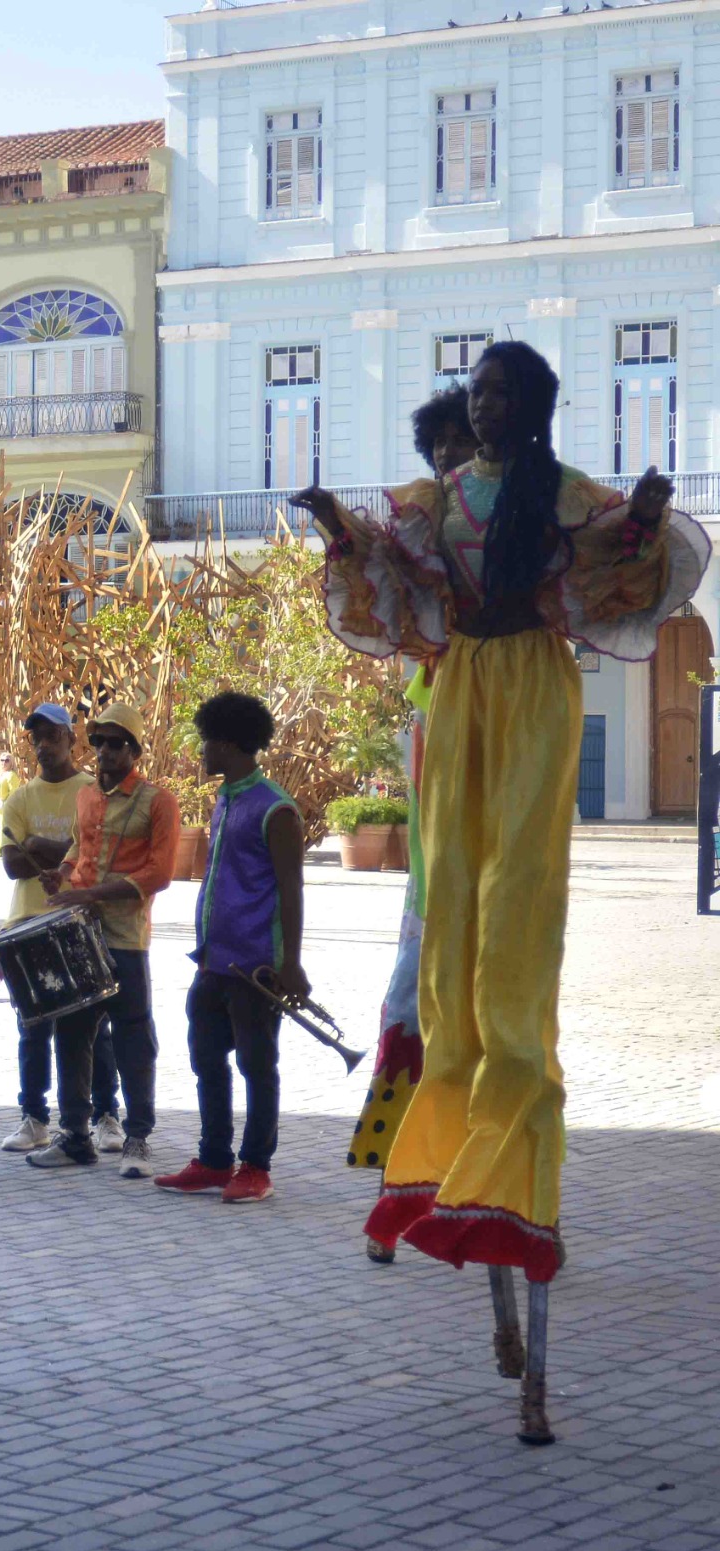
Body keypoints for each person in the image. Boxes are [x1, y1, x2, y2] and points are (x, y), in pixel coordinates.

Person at [291, 340, 708, 1282]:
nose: (482, 407)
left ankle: (508, 1159)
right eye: (475, 392)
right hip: (460, 700)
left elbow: (618, 572)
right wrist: (335, 526)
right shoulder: (435, 503)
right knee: (439, 932)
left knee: (516, 896)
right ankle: (423, 1160)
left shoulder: (562, 493)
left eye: (499, 392)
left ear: (532, 404)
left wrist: (643, 518)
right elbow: (389, 576)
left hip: (530, 684)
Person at [346, 388, 479, 1260]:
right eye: (435, 449)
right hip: (430, 885)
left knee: (486, 1031)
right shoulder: (427, 655)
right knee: (407, 1018)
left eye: (457, 444)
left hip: (485, 867)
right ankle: (398, 1197)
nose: (445, 461)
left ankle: (486, 1192)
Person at [155, 693, 308, 1205]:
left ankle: (256, 1166)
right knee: (206, 1060)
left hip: (254, 965)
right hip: (213, 962)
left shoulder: (276, 808)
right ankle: (215, 1160)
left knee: (257, 1066)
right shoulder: (225, 798)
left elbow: (291, 889)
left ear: (226, 744)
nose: (200, 752)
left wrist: (291, 963)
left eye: (205, 743)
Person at [28, 701, 180, 1178]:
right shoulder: (87, 796)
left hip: (126, 939)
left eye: (116, 743)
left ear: (135, 750)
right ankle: (76, 1136)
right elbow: (80, 847)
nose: (105, 751)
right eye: (98, 742)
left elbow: (160, 873)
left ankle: (137, 1139)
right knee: (72, 1035)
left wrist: (91, 893)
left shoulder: (158, 801)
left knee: (134, 1039)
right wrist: (63, 872)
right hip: (80, 934)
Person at [0, 701, 122, 1154]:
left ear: (71, 739)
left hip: (79, 920)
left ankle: (106, 1115)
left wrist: (37, 843)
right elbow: (13, 865)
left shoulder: (92, 790)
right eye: (37, 738)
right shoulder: (18, 798)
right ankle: (34, 1118)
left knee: (93, 1028)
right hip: (27, 922)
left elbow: (93, 853)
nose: (44, 745)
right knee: (33, 1028)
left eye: (53, 736)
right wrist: (60, 849)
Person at [0, 751, 21, 855]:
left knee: (6, 829)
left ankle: (8, 851)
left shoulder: (12, 775)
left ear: (11, 763)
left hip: (6, 807)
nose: (4, 762)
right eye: (2, 760)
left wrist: (6, 804)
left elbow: (14, 792)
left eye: (7, 760)